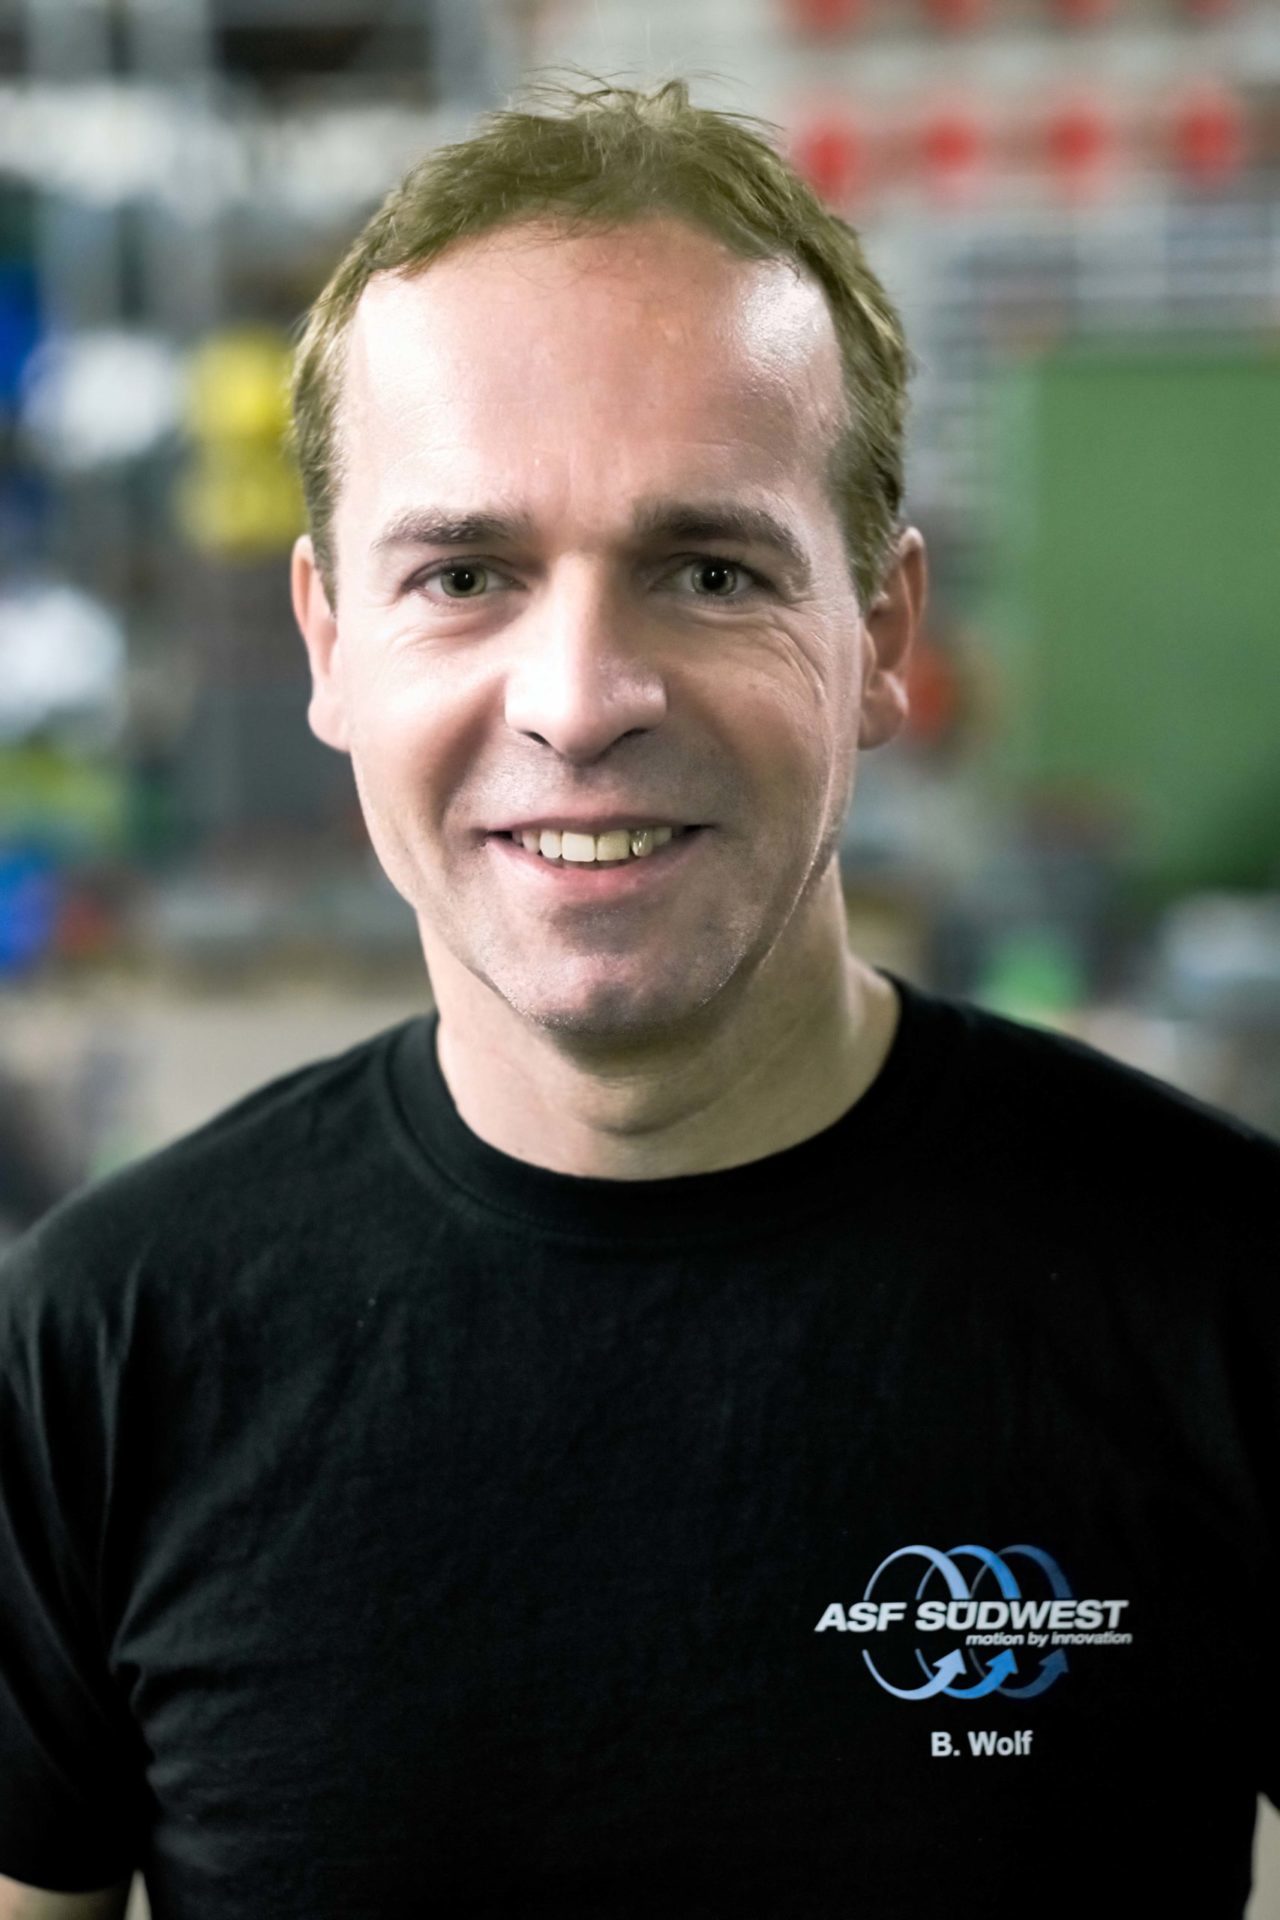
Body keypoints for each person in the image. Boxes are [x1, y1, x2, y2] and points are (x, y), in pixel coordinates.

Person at [0, 78, 1276, 1920]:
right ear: (330, 640)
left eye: (708, 569)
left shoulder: (1230, 1293)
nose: (582, 697)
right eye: (465, 573)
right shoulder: (103, 1351)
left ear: (883, 636)